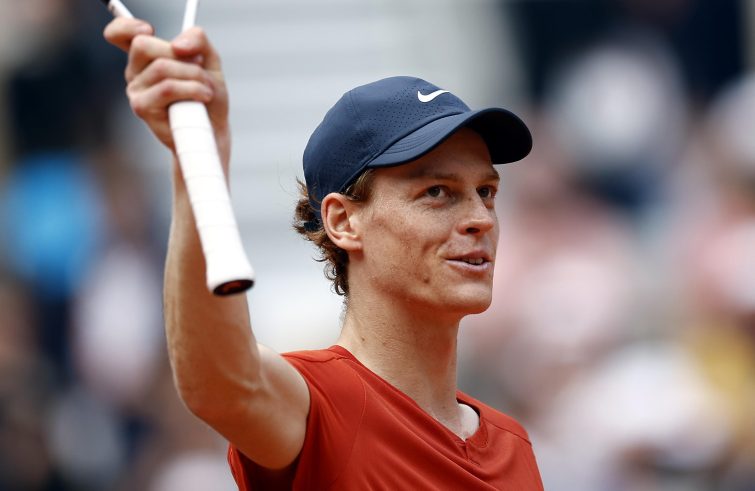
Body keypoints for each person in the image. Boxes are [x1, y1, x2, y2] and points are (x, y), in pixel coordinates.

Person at [104, 16, 544, 490]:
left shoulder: (513, 444)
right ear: (343, 221)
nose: (480, 218)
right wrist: (198, 157)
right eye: (437, 192)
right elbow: (217, 379)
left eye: (486, 192)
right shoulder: (318, 403)